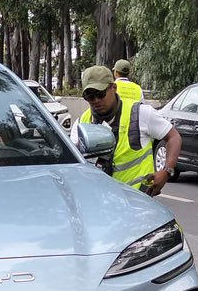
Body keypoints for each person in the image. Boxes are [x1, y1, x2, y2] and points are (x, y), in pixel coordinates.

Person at [74, 65, 181, 196]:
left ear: (114, 88)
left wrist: (166, 171)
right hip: (101, 201)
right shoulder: (82, 123)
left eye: (100, 94)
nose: (96, 101)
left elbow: (174, 137)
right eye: (89, 97)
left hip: (138, 200)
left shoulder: (140, 114)